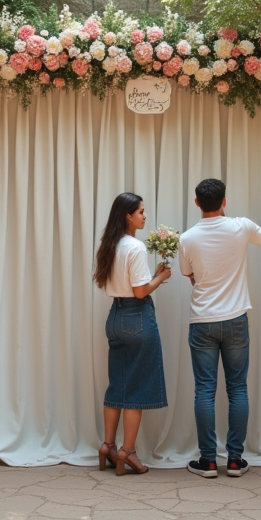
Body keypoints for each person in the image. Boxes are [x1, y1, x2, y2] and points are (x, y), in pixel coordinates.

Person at [178, 178, 261, 477]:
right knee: (238, 389)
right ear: (224, 201)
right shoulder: (241, 226)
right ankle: (236, 460)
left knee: (204, 391)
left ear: (197, 203)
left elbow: (190, 275)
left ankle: (209, 461)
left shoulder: (187, 238)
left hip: (202, 321)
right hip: (236, 318)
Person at [93, 192, 171, 475]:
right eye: (140, 211)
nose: (144, 216)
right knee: (136, 390)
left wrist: (153, 277)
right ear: (128, 215)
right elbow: (140, 292)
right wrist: (160, 278)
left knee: (117, 385)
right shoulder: (135, 247)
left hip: (115, 317)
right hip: (136, 317)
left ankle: (108, 446)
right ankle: (128, 451)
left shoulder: (109, 246)